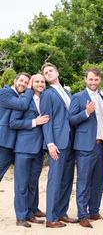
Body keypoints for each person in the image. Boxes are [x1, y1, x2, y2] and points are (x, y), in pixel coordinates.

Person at [0, 73, 44, 218]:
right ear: (15, 80)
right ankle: (23, 213)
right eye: (22, 81)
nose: (23, 84)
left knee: (30, 179)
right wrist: (30, 88)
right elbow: (22, 105)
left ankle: (31, 209)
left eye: (26, 82)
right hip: (4, 142)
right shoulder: (6, 92)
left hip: (17, 144)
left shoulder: (22, 95)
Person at [9, 74, 49, 227]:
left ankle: (30, 213)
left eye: (42, 81)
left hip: (39, 149)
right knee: (22, 185)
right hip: (24, 149)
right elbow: (13, 122)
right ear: (31, 84)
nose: (40, 84)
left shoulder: (45, 98)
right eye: (36, 81)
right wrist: (34, 122)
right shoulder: (23, 100)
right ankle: (20, 217)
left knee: (33, 184)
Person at [40, 63, 76, 228]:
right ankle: (51, 218)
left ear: (57, 72)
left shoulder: (68, 92)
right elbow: (46, 121)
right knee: (55, 179)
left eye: (50, 70)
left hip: (71, 141)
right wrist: (50, 143)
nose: (48, 73)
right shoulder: (47, 94)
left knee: (67, 179)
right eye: (46, 73)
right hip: (57, 143)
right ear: (45, 78)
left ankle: (62, 213)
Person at [69, 68, 103, 228]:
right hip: (84, 146)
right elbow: (70, 119)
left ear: (99, 81)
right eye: (90, 79)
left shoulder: (102, 98)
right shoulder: (78, 97)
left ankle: (94, 211)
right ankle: (82, 215)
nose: (93, 82)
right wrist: (86, 112)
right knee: (83, 181)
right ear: (86, 79)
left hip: (101, 145)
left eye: (96, 80)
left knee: (98, 181)